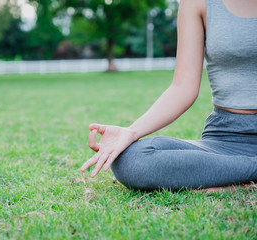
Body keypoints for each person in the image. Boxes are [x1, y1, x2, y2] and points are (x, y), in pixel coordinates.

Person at [81, 0, 257, 192]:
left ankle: (240, 181)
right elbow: (182, 87)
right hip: (224, 138)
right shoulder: (196, 3)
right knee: (130, 160)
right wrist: (131, 131)